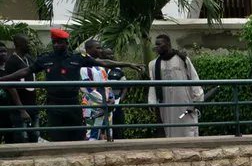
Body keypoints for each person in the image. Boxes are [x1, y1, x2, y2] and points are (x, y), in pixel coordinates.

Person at [0, 29, 135, 142]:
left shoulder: (77, 58)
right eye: (54, 42)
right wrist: (4, 79)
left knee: (77, 137)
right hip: (54, 105)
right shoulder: (46, 58)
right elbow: (26, 71)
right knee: (58, 138)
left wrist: (127, 64)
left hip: (73, 104)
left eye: (59, 42)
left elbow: (103, 63)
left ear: (66, 43)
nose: (56, 45)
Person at [148, 34, 203, 138]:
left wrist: (197, 99)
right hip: (166, 106)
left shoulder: (183, 60)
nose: (157, 46)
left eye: (159, 44)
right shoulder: (154, 64)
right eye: (156, 44)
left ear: (168, 44)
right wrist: (152, 102)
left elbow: (194, 78)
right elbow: (153, 84)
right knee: (170, 131)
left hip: (185, 104)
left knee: (188, 131)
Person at [1, 34, 34, 142]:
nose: (29, 45)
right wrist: (22, 110)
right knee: (21, 138)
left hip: (32, 104)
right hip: (19, 108)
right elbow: (11, 87)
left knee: (34, 135)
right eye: (27, 43)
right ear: (19, 45)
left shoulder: (29, 58)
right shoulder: (12, 61)